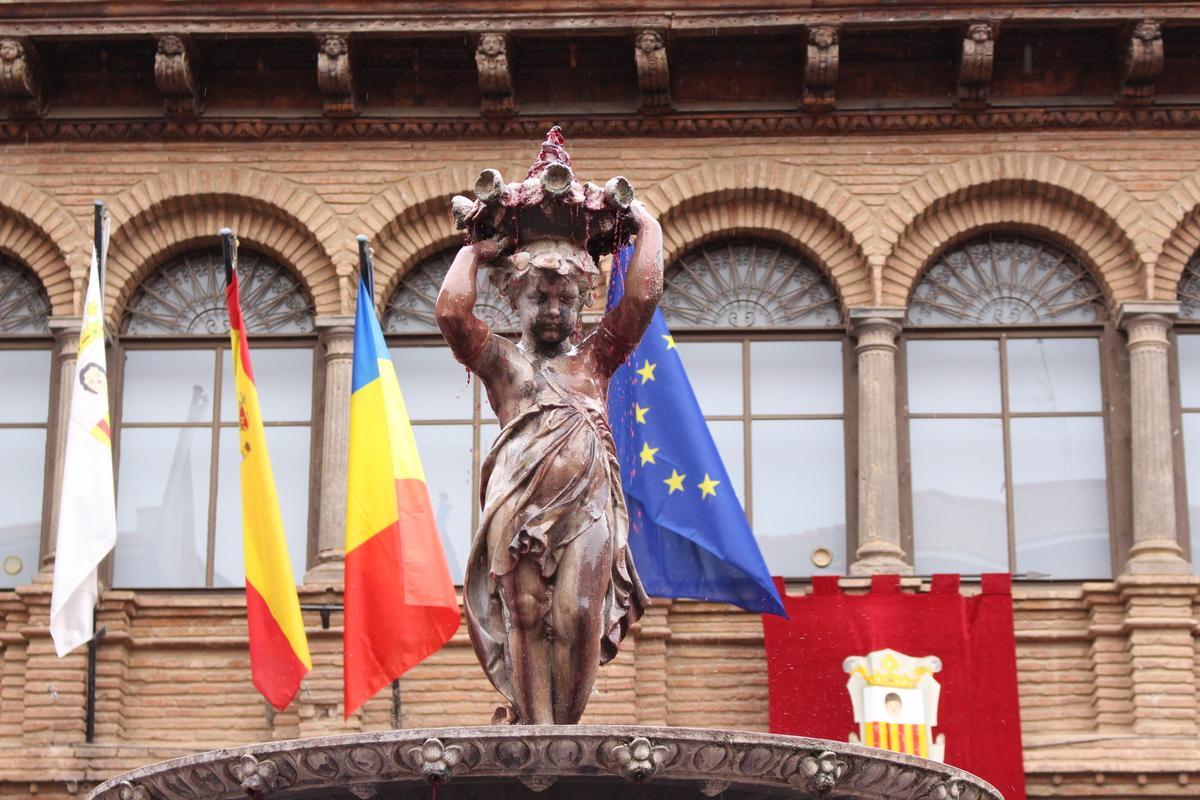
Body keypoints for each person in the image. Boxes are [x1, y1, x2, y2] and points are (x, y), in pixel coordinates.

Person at [436, 201, 662, 724]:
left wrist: (646, 225)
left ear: (583, 301)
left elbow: (643, 298)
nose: (554, 310)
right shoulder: (500, 361)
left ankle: (566, 729)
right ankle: (536, 731)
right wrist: (476, 250)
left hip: (586, 503)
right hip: (517, 499)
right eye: (539, 297)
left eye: (566, 298)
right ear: (514, 299)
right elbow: (451, 312)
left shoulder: (596, 359)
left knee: (580, 614)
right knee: (526, 614)